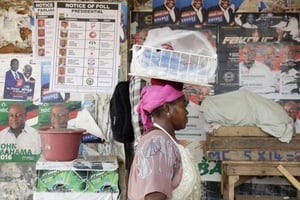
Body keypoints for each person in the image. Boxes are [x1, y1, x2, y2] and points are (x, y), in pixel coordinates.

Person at [128, 80, 201, 200]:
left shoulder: (164, 139)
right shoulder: (158, 142)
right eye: (183, 106)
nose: (187, 112)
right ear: (167, 108)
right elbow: (154, 196)